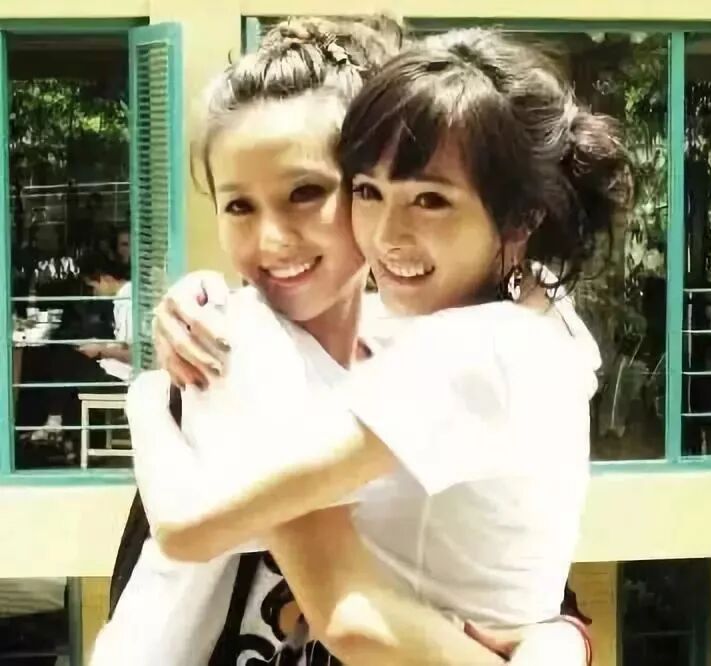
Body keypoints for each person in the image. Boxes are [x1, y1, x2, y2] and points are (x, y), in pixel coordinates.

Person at [98, 17, 589, 666]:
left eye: (308, 193)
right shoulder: (237, 351)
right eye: (239, 206)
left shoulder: (416, 349)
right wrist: (148, 393)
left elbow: (486, 558)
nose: (274, 240)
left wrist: (562, 636)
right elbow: (349, 612)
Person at [76, 252, 132, 381]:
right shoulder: (121, 300)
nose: (94, 293)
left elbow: (134, 354)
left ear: (106, 279)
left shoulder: (128, 303)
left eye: (93, 287)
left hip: (125, 377)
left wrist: (100, 350)